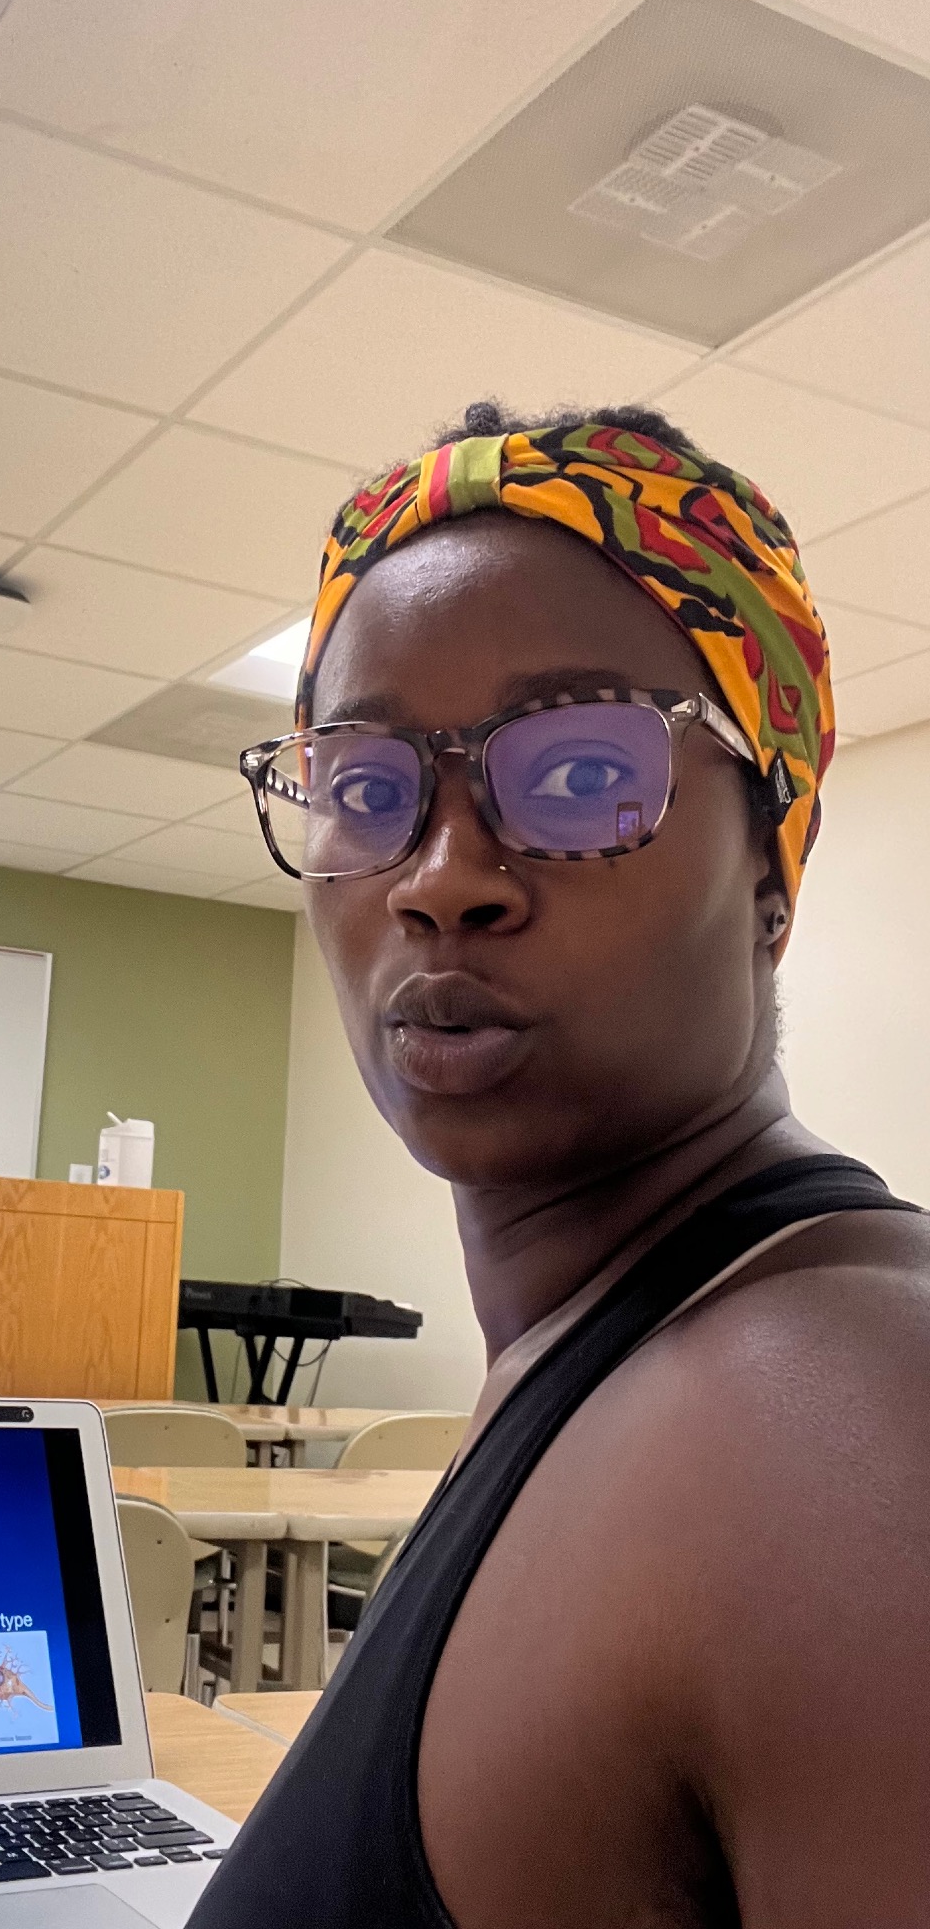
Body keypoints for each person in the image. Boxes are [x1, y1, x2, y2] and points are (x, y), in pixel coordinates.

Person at [197, 404, 930, 1927]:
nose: (442, 879)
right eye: (366, 789)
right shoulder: (604, 1356)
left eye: (585, 774)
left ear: (770, 868)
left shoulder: (827, 1417)